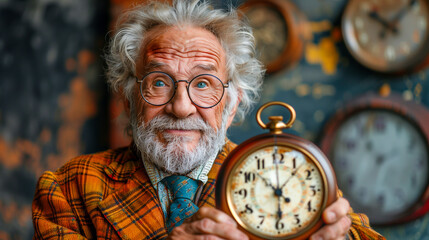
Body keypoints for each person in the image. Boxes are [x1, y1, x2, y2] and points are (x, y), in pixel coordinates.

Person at [32, 1, 385, 239]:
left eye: (203, 84)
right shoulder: (69, 188)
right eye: (158, 82)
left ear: (232, 105)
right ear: (128, 98)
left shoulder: (295, 178)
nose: (181, 107)